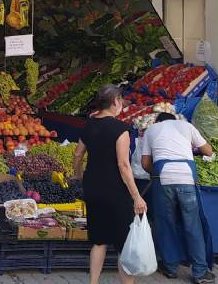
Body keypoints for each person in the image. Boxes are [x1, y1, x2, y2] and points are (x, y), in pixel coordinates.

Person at [74, 85, 148, 284]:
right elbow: (123, 165)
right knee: (124, 243)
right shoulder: (120, 129)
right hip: (115, 190)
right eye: (121, 100)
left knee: (99, 240)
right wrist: (136, 196)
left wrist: (79, 176)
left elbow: (78, 154)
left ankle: (93, 282)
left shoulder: (89, 125)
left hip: (93, 187)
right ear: (116, 101)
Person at [141, 113, 216, 284]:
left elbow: (145, 163)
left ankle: (170, 267)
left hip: (163, 178)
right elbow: (208, 150)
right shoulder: (186, 126)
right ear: (174, 119)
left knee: (165, 222)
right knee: (193, 224)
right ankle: (200, 271)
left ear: (158, 121)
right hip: (186, 177)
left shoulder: (151, 130)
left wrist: (159, 174)